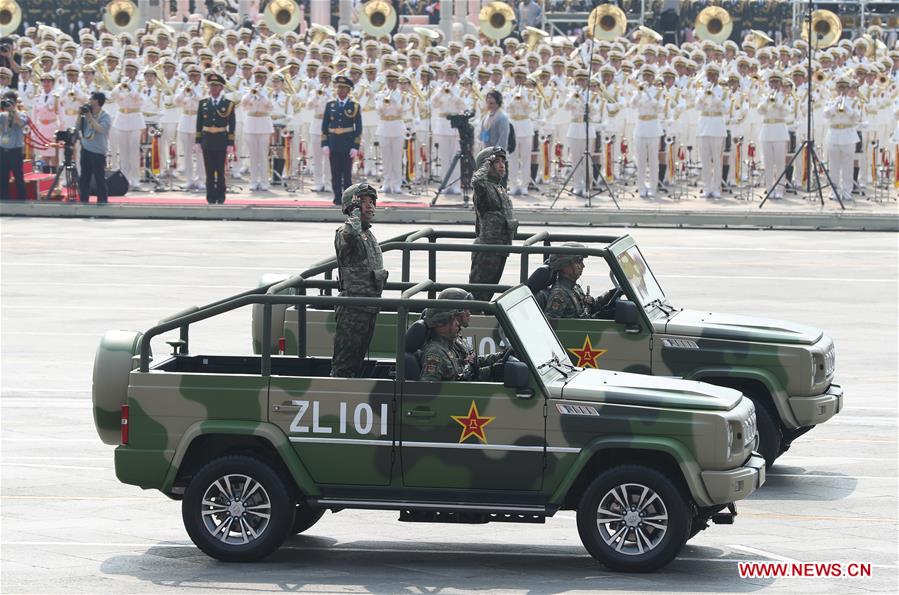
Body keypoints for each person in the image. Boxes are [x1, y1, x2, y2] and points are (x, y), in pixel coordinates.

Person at [331, 183, 388, 378]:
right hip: (353, 309)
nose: (370, 205)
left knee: (357, 361)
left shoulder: (368, 234)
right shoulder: (346, 232)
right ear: (352, 206)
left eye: (372, 201)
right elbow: (350, 234)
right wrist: (354, 213)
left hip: (369, 306)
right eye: (363, 202)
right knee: (344, 365)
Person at [418, 293, 504, 382]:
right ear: (440, 323)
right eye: (453, 319)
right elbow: (428, 388)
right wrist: (490, 372)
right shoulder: (435, 354)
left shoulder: (452, 343)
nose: (457, 323)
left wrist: (499, 357)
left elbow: (468, 369)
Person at [468, 146, 517, 302]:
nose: (502, 165)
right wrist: (486, 164)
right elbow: (476, 181)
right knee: (478, 296)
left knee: (488, 293)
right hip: (487, 249)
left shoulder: (499, 188)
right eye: (496, 162)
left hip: (501, 248)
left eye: (503, 161)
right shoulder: (483, 188)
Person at [195, 72, 236, 204]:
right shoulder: (203, 103)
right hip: (207, 140)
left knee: (220, 169)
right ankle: (210, 196)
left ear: (221, 87)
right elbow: (199, 123)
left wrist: (230, 143)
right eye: (211, 86)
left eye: (216, 86)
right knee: (209, 170)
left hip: (221, 140)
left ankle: (220, 195)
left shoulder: (228, 104)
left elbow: (232, 124)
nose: (213, 88)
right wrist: (197, 141)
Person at [322, 75, 362, 205]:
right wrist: (325, 144)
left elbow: (358, 128)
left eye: (343, 88)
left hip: (347, 144)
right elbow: (325, 126)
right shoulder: (330, 105)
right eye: (338, 87)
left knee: (347, 174)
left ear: (348, 90)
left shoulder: (354, 105)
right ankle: (337, 197)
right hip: (333, 143)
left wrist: (355, 146)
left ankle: (348, 198)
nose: (340, 90)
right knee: (335, 173)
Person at [78, 92, 113, 204]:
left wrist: (90, 118)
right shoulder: (86, 113)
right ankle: (83, 201)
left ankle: (102, 201)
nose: (89, 102)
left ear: (97, 101)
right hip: (85, 149)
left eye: (91, 99)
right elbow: (78, 127)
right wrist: (80, 115)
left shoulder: (105, 116)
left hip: (98, 152)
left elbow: (101, 129)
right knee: (84, 178)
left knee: (99, 179)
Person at [0, 92, 27, 199]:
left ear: (15, 103)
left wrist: (13, 110)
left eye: (10, 101)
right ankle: (3, 200)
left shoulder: (21, 114)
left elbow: (21, 124)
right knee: (2, 178)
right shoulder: (2, 115)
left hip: (15, 151)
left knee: (18, 177)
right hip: (3, 150)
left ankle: (22, 200)